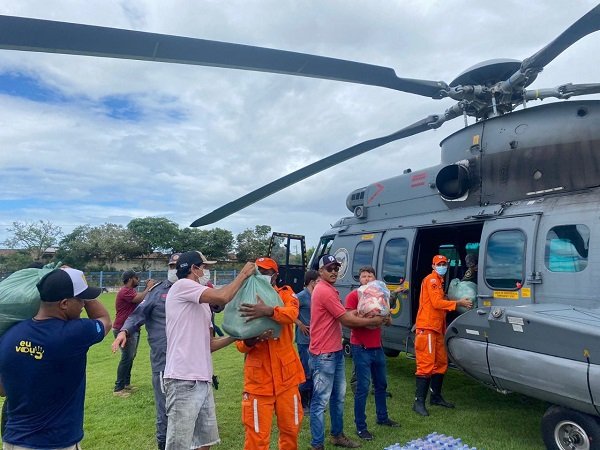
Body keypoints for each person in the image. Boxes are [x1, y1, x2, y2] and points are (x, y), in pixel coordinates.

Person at [0, 267, 111, 449]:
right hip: (55, 442)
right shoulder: (74, 333)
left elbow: (2, 389)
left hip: (12, 440)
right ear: (64, 304)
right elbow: (104, 320)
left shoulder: (10, 335)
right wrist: (87, 293)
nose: (83, 304)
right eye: (81, 298)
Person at [163, 251, 256, 450]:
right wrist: (243, 274)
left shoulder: (202, 305)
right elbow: (223, 297)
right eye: (204, 267)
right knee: (179, 445)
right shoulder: (182, 286)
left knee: (204, 443)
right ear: (193, 269)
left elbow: (209, 345)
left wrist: (237, 335)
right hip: (183, 379)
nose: (207, 271)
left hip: (202, 379)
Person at [309, 254, 386, 450]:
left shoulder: (330, 289)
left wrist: (362, 313)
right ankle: (317, 444)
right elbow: (346, 319)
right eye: (329, 268)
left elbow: (344, 313)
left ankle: (337, 435)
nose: (334, 271)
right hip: (324, 354)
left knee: (338, 398)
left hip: (334, 351)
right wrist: (371, 321)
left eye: (336, 267)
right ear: (320, 271)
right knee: (320, 402)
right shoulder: (324, 291)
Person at [111, 253, 181, 450]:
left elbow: (218, 305)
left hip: (189, 361)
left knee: (188, 408)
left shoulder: (195, 290)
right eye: (171, 265)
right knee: (164, 408)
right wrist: (124, 331)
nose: (174, 269)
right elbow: (138, 314)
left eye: (178, 265)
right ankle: (163, 443)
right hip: (163, 360)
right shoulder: (158, 292)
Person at [236, 257, 306, 450]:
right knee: (256, 437)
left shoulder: (285, 294)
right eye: (258, 271)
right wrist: (253, 339)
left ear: (275, 276)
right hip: (259, 382)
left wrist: (267, 311)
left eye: (266, 272)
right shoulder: (246, 299)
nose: (262, 275)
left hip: (287, 379)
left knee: (291, 429)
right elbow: (240, 344)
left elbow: (291, 314)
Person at [413, 255, 473, 417]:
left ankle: (436, 397)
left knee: (440, 363)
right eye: (439, 264)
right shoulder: (432, 280)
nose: (442, 266)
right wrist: (459, 303)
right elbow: (436, 303)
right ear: (433, 265)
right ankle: (418, 402)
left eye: (444, 264)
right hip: (427, 329)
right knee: (426, 365)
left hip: (437, 328)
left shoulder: (439, 281)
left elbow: (439, 301)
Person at [345, 266, 399, 441]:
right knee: (362, 389)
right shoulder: (354, 296)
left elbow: (388, 321)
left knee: (381, 385)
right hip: (361, 348)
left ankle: (382, 417)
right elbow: (349, 321)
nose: (366, 279)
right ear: (359, 279)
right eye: (363, 276)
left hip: (377, 347)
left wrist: (387, 318)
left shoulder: (380, 296)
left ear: (375, 278)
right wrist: (368, 321)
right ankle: (361, 427)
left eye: (370, 276)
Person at [112, 270, 156, 397]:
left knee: (130, 356)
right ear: (131, 279)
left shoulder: (130, 291)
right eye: (137, 278)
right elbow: (140, 298)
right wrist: (148, 287)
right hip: (123, 329)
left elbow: (142, 298)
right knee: (126, 358)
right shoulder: (125, 291)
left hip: (131, 329)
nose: (138, 280)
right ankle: (118, 388)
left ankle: (126, 383)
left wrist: (148, 289)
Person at [295, 269, 319, 412]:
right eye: (318, 281)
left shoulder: (317, 295)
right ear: (311, 282)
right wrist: (300, 324)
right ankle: (303, 403)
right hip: (304, 340)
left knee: (315, 370)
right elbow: (290, 312)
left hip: (316, 339)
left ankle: (312, 401)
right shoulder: (301, 296)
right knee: (306, 371)